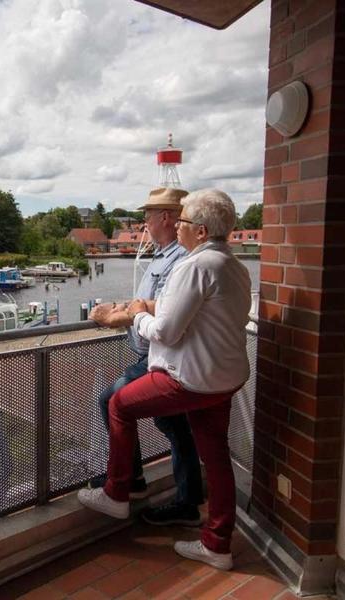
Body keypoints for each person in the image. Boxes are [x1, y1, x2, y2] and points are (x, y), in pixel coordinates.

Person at [79, 189, 251, 571]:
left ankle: (117, 492)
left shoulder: (194, 266)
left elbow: (167, 331)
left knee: (117, 403)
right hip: (224, 380)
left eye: (184, 221)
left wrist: (138, 314)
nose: (179, 226)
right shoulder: (233, 265)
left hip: (189, 378)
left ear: (201, 230)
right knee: (217, 457)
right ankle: (217, 544)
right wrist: (147, 308)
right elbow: (199, 312)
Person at [88, 187, 205, 527]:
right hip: (155, 355)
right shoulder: (164, 255)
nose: (144, 222)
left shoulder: (179, 262)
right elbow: (147, 304)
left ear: (166, 217)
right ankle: (187, 497)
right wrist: (122, 308)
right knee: (173, 423)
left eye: (149, 216)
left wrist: (112, 317)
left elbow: (165, 313)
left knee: (110, 399)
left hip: (159, 356)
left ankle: (127, 483)